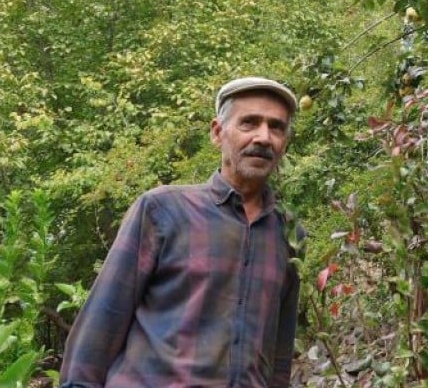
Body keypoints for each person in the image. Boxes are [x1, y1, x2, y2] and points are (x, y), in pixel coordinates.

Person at [59, 77, 303, 388]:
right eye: (249, 123)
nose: (264, 137)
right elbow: (102, 321)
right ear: (217, 132)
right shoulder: (163, 211)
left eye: (276, 127)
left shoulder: (289, 233)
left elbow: (279, 348)